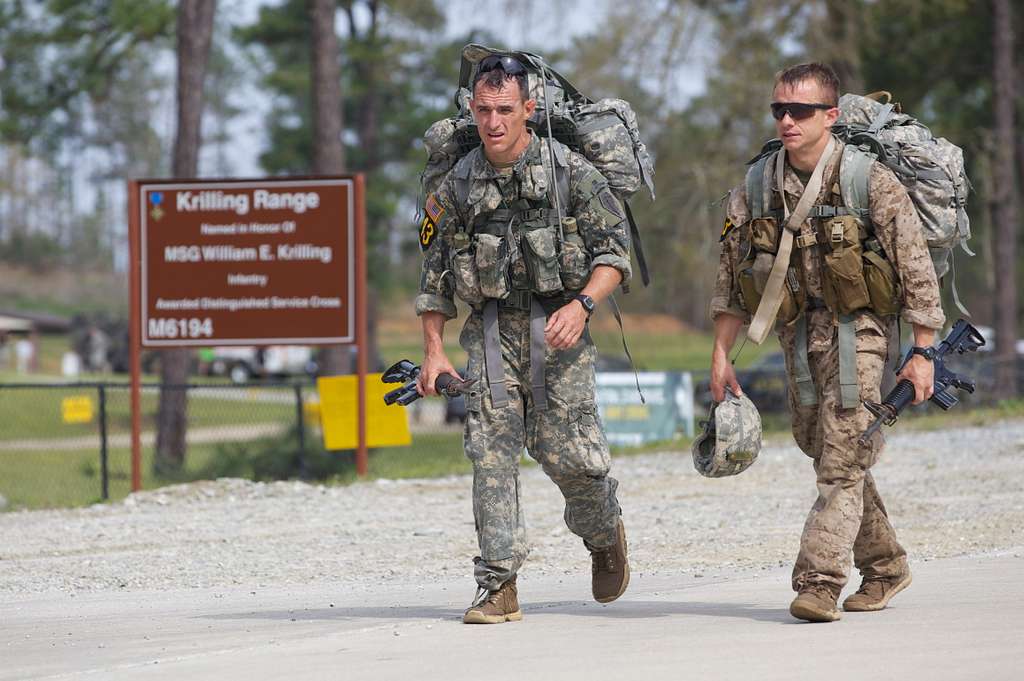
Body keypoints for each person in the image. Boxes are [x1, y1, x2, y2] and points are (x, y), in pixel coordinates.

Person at [708, 63, 944, 623]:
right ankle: (886, 566)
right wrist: (721, 353)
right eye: (779, 110)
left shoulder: (869, 181)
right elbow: (731, 276)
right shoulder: (757, 186)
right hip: (794, 335)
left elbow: (916, 269)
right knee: (826, 446)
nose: (787, 120)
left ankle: (818, 582)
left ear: (831, 116)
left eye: (801, 111)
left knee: (841, 460)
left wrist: (923, 351)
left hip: (858, 333)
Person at [414, 54, 631, 624]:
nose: (493, 121)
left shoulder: (569, 174)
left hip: (560, 331)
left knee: (571, 460)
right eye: (483, 110)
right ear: (472, 110)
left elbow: (614, 254)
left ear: (529, 110)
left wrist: (584, 305)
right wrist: (433, 352)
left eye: (505, 109)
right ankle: (498, 583)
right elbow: (434, 278)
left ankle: (604, 530)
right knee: (490, 454)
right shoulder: (456, 184)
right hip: (489, 333)